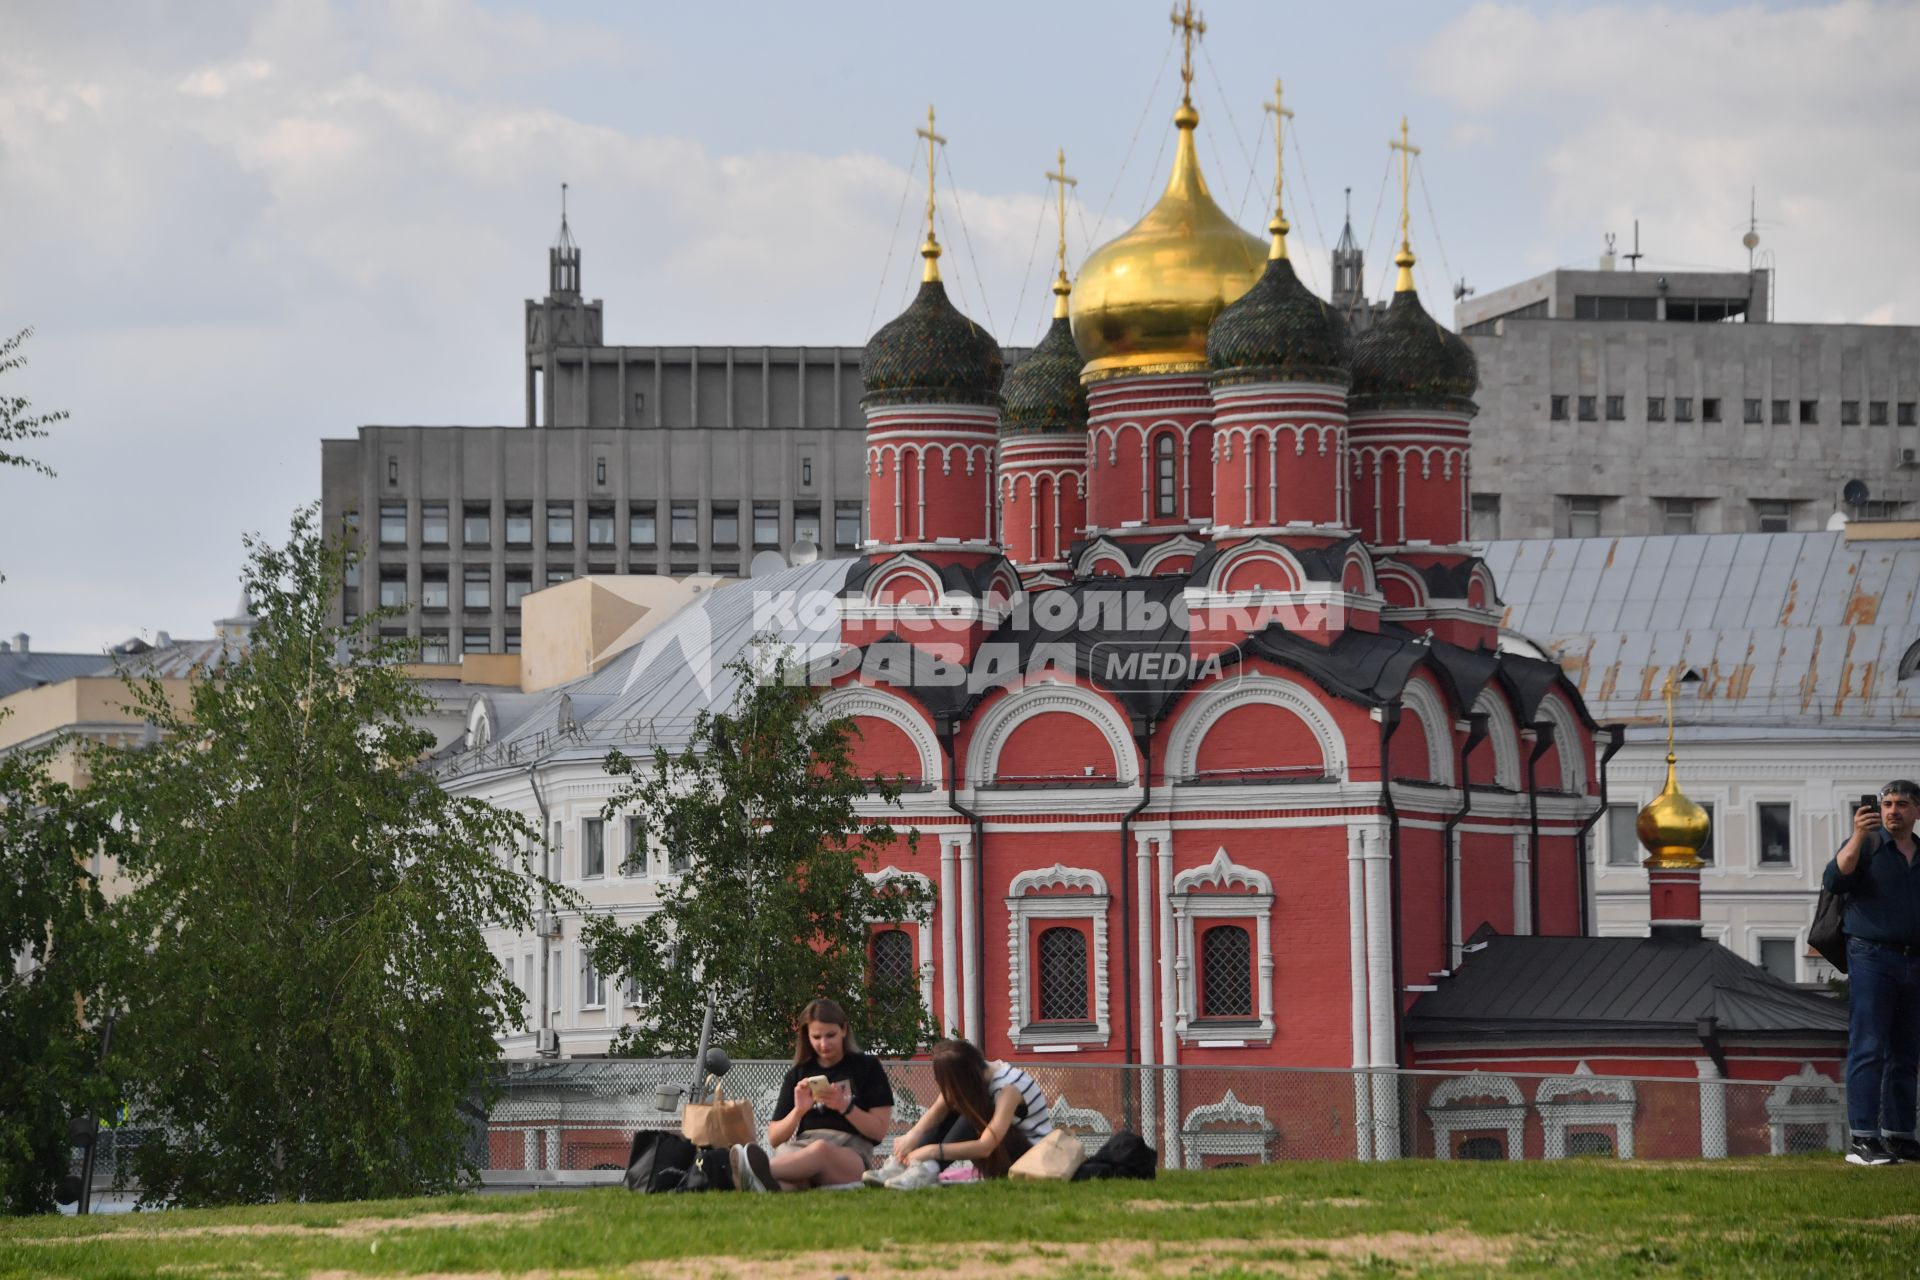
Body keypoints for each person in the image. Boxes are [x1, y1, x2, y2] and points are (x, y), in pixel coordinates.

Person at [1825, 781, 1920, 1166]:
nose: (1893, 810)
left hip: (1914, 959)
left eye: (1902, 804)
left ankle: (1899, 1136)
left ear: (1917, 811)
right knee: (1868, 1047)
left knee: (1906, 1051)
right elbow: (1834, 879)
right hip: (1871, 955)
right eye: (1887, 804)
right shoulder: (1866, 845)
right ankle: (1864, 1138)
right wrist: (1858, 835)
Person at [731, 997, 894, 1191]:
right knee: (789, 1172)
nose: (824, 1044)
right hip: (803, 1147)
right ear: (806, 1036)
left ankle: (744, 1173)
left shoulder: (867, 1067)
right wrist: (798, 1111)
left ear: (844, 1029)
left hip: (850, 1152)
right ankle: (758, 1182)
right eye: (816, 1037)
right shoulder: (799, 1073)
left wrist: (844, 1106)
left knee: (820, 1150)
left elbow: (879, 1131)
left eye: (830, 1035)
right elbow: (775, 1138)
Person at [865, 1039, 1053, 1190]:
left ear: (964, 1077)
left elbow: (985, 1146)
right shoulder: (978, 1074)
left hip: (1031, 1160)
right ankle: (902, 1165)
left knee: (973, 1109)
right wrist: (911, 1137)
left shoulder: (1008, 1088)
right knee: (959, 1105)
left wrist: (930, 1151)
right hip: (1007, 1152)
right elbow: (942, 1106)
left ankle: (927, 1169)